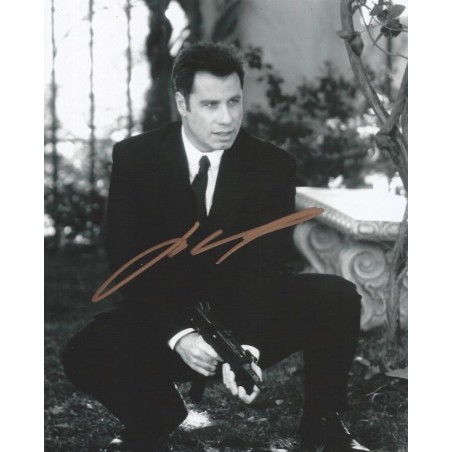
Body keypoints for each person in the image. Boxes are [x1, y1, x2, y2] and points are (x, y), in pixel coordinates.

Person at [62, 42, 370, 452]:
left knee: (336, 296)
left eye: (233, 101)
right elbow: (127, 262)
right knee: (84, 351)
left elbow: (266, 266)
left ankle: (324, 424)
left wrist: (246, 348)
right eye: (210, 105)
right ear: (182, 103)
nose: (226, 118)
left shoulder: (273, 165)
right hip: (169, 315)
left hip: (246, 310)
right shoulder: (136, 158)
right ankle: (153, 418)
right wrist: (180, 335)